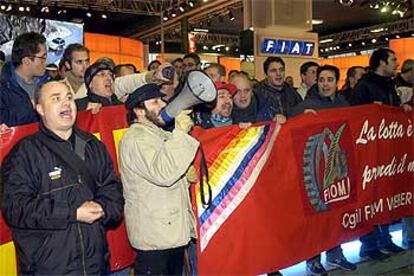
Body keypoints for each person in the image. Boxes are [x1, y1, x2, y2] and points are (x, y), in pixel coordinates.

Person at [1, 81, 124, 275]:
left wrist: (104, 208)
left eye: (69, 97)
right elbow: (16, 208)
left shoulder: (93, 146)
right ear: (39, 108)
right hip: (48, 268)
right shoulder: (25, 154)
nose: (66, 103)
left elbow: (113, 191)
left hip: (96, 265)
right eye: (56, 99)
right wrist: (72, 213)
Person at [119, 83, 199, 275]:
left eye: (162, 99)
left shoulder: (157, 135)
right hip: (155, 240)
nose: (162, 105)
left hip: (168, 234)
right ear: (139, 110)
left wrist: (184, 179)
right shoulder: (136, 138)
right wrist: (180, 134)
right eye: (154, 102)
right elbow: (163, 173)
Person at [293, 65, 357, 275]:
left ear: (337, 83)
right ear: (316, 82)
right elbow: (291, 130)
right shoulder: (307, 105)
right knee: (316, 217)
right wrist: (301, 117)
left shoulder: (343, 103)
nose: (325, 83)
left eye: (330, 79)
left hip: (338, 170)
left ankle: (335, 254)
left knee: (337, 213)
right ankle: (313, 259)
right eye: (321, 79)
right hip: (314, 171)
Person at [351, 48, 410, 261]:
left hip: (387, 154)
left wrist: (399, 109)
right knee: (371, 198)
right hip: (369, 155)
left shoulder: (389, 86)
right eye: (393, 60)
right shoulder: (364, 87)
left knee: (386, 196)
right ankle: (369, 244)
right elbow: (355, 117)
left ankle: (385, 240)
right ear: (381, 62)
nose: (397, 63)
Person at [0, 32, 47, 126]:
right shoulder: (4, 87)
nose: (46, 62)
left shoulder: (47, 84)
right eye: (43, 58)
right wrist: (29, 107)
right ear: (27, 61)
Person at [254, 57, 302, 123]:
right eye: (273, 71)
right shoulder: (257, 94)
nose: (278, 74)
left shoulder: (293, 94)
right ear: (266, 75)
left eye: (281, 70)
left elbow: (300, 114)